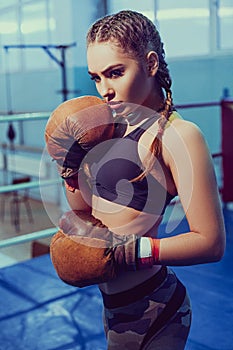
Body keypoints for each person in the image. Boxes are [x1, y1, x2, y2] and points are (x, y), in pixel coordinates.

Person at [51, 10, 226, 350]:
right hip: (114, 308)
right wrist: (69, 166)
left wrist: (131, 253)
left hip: (154, 308)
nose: (105, 90)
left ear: (150, 64)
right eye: (96, 78)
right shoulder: (110, 130)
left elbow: (211, 243)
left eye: (115, 73)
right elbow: (86, 209)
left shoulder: (178, 136)